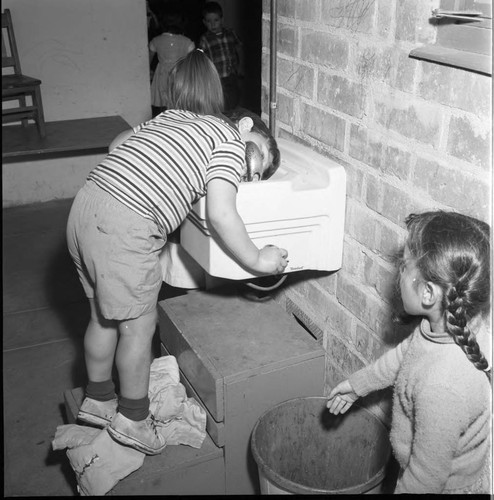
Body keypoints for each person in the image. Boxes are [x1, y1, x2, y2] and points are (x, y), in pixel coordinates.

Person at [66, 50, 288, 456]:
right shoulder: (227, 140)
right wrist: (259, 260)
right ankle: (133, 419)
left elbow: (119, 143)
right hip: (125, 224)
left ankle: (98, 400)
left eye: (255, 177)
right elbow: (221, 214)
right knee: (138, 325)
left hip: (86, 206)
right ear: (243, 127)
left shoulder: (175, 117)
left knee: (102, 315)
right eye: (255, 159)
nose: (249, 174)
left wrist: (162, 175)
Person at [327, 211, 492, 494]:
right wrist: (357, 386)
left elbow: (425, 479)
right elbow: (405, 356)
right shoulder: (444, 327)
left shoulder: (443, 388)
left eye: (404, 266)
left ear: (428, 293)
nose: (398, 272)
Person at [149, 3, 195, 117]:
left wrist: (149, 71)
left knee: (164, 104)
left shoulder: (156, 40)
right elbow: (192, 62)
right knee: (180, 102)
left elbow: (149, 59)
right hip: (180, 75)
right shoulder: (187, 42)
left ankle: (164, 122)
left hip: (162, 76)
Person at [199, 1, 243, 111]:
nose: (213, 24)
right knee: (219, 101)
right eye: (209, 21)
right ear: (204, 22)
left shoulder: (230, 33)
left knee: (234, 97)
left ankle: (232, 116)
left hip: (231, 73)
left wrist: (241, 66)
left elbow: (239, 48)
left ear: (222, 20)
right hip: (216, 77)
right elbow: (201, 58)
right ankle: (222, 119)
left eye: (216, 20)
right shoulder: (205, 39)